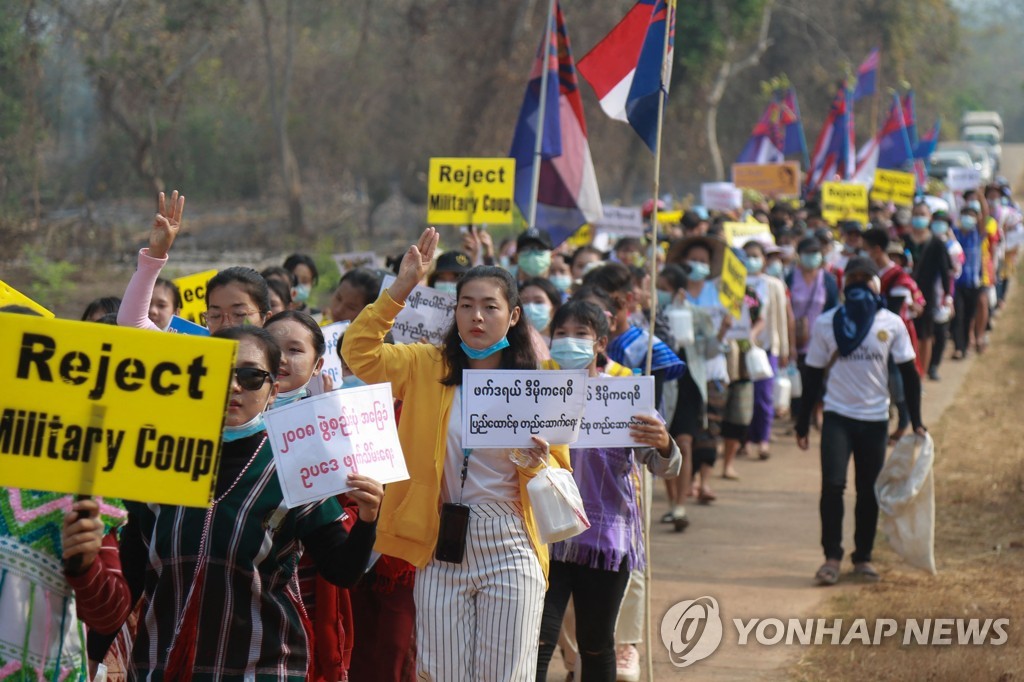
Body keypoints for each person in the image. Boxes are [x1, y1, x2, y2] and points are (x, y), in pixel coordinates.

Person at [64, 326, 382, 680]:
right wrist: (94, 655)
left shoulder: (294, 462)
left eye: (250, 376)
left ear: (273, 391)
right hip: (161, 664)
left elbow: (341, 570)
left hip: (261, 666)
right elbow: (134, 571)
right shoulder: (161, 458)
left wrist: (368, 519)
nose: (233, 386)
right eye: (219, 373)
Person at [342, 227, 570, 680]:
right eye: (466, 305)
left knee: (505, 674)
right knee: (440, 672)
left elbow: (560, 469)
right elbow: (358, 353)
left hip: (511, 538)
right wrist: (401, 288)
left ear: (513, 316)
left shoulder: (540, 381)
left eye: (490, 307)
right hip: (439, 536)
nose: (476, 317)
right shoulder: (425, 364)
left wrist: (539, 462)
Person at [535, 300, 681, 681]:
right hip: (545, 536)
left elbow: (663, 464)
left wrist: (663, 442)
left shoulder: (625, 395)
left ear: (600, 343)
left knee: (597, 643)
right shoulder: (531, 393)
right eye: (561, 334)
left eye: (580, 335)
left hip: (606, 539)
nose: (569, 342)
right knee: (537, 639)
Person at [796, 257, 925, 585]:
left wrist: (916, 419)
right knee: (833, 486)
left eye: (863, 279)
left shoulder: (891, 323)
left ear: (875, 284)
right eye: (850, 279)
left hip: (874, 419)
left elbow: (909, 374)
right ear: (842, 285)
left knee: (869, 491)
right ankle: (832, 557)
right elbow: (811, 376)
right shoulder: (827, 323)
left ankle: (863, 557)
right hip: (838, 417)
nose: (857, 285)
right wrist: (802, 423)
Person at [119, 191, 273, 333]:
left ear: (266, 318)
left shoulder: (281, 360)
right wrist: (155, 254)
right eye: (215, 315)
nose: (226, 325)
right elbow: (131, 322)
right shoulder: (193, 355)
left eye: (239, 314)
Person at [742, 240, 790, 460]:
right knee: (743, 398)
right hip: (741, 348)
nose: (752, 260)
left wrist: (784, 349)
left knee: (764, 396)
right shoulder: (735, 282)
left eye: (756, 255)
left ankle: (763, 439)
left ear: (763, 259)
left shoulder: (773, 285)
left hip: (767, 347)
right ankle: (744, 440)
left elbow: (781, 318)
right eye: (748, 255)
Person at [905, 202, 953, 380]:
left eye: (922, 214)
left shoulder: (937, 243)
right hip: (905, 295)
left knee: (925, 335)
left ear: (929, 218)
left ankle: (921, 375)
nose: (919, 218)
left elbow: (944, 272)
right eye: (916, 214)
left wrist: (947, 297)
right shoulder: (905, 240)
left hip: (927, 296)